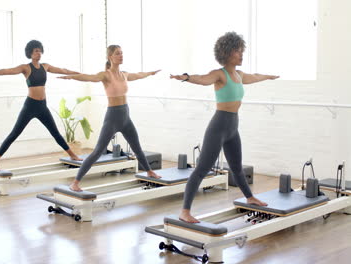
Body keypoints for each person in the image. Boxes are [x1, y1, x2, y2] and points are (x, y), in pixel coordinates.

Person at [170, 32, 279, 223]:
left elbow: (254, 76)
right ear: (227, 53)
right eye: (238, 51)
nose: (241, 54)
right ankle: (185, 211)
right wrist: (186, 77)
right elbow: (203, 79)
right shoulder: (220, 74)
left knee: (237, 167)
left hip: (232, 127)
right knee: (202, 169)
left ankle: (250, 197)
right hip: (218, 126)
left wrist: (269, 76)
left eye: (241, 50)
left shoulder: (239, 74)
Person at [59, 45, 162, 191]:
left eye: (121, 53)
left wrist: (150, 73)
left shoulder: (125, 74)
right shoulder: (105, 75)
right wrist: (72, 77)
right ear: (110, 57)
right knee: (97, 151)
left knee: (137, 147)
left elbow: (139, 75)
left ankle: (150, 171)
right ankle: (75, 182)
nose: (121, 56)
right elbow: (90, 77)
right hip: (112, 117)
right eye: (117, 54)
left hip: (126, 116)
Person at [0, 40, 82, 171]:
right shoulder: (26, 68)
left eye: (40, 50)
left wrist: (77, 73)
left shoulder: (45, 66)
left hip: (43, 106)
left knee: (55, 133)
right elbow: (7, 71)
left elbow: (62, 70)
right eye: (36, 51)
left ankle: (73, 156)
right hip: (30, 106)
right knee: (14, 134)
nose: (39, 53)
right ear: (30, 53)